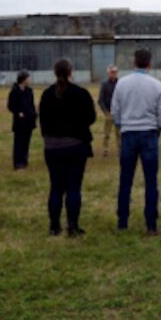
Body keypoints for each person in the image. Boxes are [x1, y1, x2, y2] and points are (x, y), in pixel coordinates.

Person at [111, 49, 161, 235]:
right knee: (151, 181)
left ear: (133, 62)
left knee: (125, 179)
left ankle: (122, 222)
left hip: (128, 133)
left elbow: (115, 111)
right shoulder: (156, 84)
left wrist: (122, 125)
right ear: (149, 64)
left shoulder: (122, 84)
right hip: (149, 133)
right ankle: (151, 224)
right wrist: (157, 128)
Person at [39, 58, 97, 237]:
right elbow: (91, 118)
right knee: (73, 187)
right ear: (70, 71)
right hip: (75, 146)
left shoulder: (47, 94)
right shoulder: (80, 94)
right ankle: (72, 226)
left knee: (56, 187)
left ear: (55, 72)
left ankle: (54, 226)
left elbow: (42, 120)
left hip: (52, 147)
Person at [7, 71, 38, 170]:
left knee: (26, 142)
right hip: (19, 121)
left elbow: (31, 104)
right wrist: (18, 112)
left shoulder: (29, 91)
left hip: (29, 120)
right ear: (23, 79)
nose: (29, 80)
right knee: (19, 142)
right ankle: (17, 163)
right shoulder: (15, 91)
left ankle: (24, 161)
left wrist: (34, 114)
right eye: (28, 78)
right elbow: (10, 105)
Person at [97, 65, 120, 156]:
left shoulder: (120, 84)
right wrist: (106, 111)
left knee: (119, 133)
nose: (113, 74)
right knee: (107, 133)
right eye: (111, 72)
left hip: (118, 113)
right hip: (109, 113)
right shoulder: (104, 85)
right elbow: (100, 100)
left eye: (115, 72)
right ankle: (105, 149)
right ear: (108, 73)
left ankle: (120, 149)